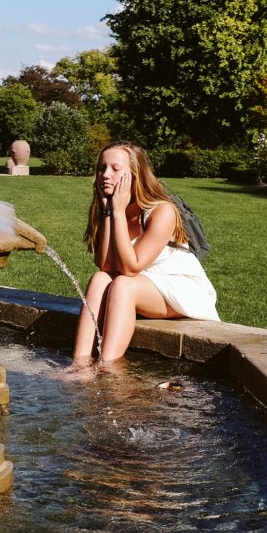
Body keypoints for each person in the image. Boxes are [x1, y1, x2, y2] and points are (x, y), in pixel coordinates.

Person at [73, 141, 219, 365]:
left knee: (123, 284)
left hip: (179, 289)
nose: (105, 175)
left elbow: (132, 266)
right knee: (99, 279)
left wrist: (118, 212)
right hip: (141, 285)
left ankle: (107, 368)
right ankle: (79, 364)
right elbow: (105, 266)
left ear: (135, 174)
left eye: (115, 168)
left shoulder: (163, 211)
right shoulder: (109, 206)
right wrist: (108, 213)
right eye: (102, 168)